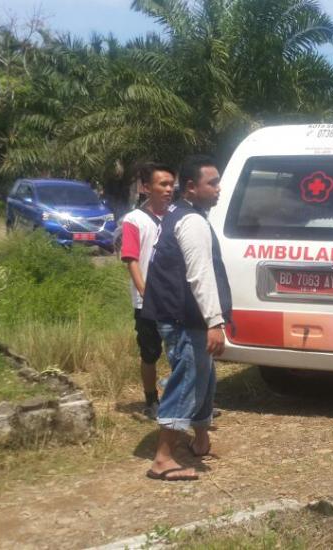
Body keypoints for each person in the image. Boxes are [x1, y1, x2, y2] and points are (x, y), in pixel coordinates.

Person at [142, 155, 232, 481]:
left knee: (204, 379)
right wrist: (215, 321)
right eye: (213, 183)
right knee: (187, 382)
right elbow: (199, 275)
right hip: (183, 318)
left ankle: (201, 440)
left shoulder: (181, 215)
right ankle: (163, 459)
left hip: (185, 316)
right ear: (192, 187)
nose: (219, 188)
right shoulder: (191, 221)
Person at [120, 162, 175, 419]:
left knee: (180, 350)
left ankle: (183, 398)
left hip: (175, 298)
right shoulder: (134, 220)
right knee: (150, 353)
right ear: (146, 188)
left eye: (171, 184)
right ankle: (151, 401)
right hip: (148, 303)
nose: (168, 189)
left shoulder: (177, 216)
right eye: (162, 184)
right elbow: (131, 259)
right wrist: (145, 293)